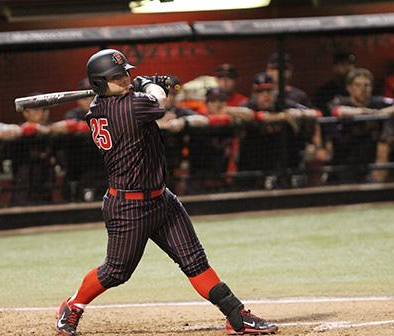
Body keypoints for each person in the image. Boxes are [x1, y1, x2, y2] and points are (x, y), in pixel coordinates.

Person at [55, 49, 278, 336]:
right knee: (115, 272)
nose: (124, 79)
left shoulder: (101, 105)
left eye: (125, 74)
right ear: (100, 83)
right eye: (116, 77)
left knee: (195, 261)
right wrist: (148, 84)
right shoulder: (127, 108)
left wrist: (141, 85)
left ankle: (237, 316)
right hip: (128, 207)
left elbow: (148, 96)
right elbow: (159, 100)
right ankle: (72, 307)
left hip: (161, 199)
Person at [242, 72, 325, 188]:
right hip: (255, 163)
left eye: (269, 91)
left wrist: (298, 113)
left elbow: (317, 113)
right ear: (254, 94)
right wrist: (268, 117)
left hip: (285, 161)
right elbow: (230, 112)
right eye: (261, 92)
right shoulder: (249, 105)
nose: (265, 95)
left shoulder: (283, 104)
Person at [328, 68, 394, 183]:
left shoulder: (378, 102)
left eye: (367, 85)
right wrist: (367, 112)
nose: (363, 89)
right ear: (349, 88)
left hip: (370, 161)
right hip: (345, 161)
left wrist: (383, 112)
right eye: (358, 85)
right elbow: (336, 111)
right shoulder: (341, 101)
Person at [10, 99, 56, 205]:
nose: (41, 113)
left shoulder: (50, 130)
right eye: (36, 110)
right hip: (24, 189)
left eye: (43, 110)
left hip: (45, 187)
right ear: (25, 112)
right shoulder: (19, 131)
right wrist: (37, 128)